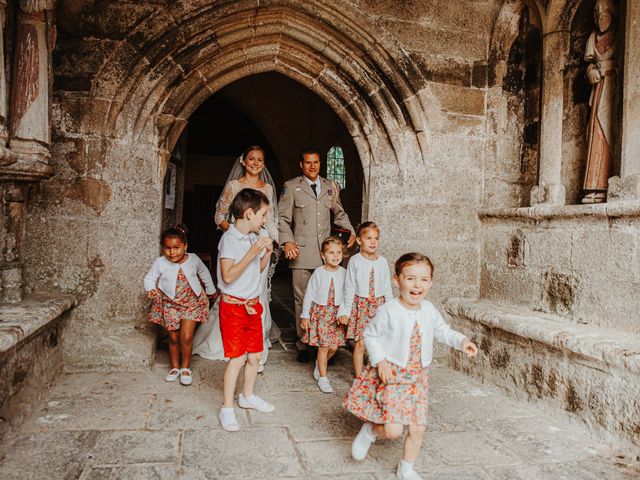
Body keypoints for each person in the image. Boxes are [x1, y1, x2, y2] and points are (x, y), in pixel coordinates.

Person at [344, 253, 478, 480]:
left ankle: (406, 468)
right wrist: (381, 360)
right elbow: (370, 335)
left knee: (418, 428)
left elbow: (442, 330)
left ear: (431, 282)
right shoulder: (389, 310)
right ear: (397, 281)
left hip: (417, 378)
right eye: (411, 279)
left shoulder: (428, 309)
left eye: (424, 279)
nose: (417, 285)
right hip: (393, 376)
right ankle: (370, 431)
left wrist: (462, 341)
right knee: (393, 430)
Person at [193, 145, 279, 372]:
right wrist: (237, 232)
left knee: (256, 291)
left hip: (259, 242)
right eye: (251, 158)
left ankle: (255, 343)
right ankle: (228, 340)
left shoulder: (268, 188)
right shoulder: (234, 186)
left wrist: (273, 238)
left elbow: (269, 219)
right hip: (238, 242)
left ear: (263, 163)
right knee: (234, 288)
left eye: (260, 159)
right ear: (243, 161)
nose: (255, 163)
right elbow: (219, 215)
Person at [278, 148, 356, 363]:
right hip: (301, 251)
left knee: (329, 298)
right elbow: (282, 218)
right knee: (302, 298)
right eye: (308, 163)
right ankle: (303, 343)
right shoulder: (292, 187)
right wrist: (287, 241)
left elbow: (339, 213)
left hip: (327, 253)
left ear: (320, 164)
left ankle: (326, 341)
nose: (312, 166)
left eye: (316, 162)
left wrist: (351, 230)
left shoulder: (330, 187)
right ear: (301, 165)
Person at [217, 188, 276, 432]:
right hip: (233, 307)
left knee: (254, 356)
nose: (265, 221)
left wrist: (266, 255)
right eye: (263, 215)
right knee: (237, 358)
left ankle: (247, 396)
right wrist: (252, 253)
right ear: (249, 213)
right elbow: (228, 276)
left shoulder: (253, 237)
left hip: (253, 305)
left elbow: (256, 269)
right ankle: (227, 408)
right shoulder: (229, 240)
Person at [144, 225, 215, 386]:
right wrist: (151, 289)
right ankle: (175, 368)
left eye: (176, 248)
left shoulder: (194, 259)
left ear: (185, 247)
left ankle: (185, 368)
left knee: (186, 336)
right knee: (174, 338)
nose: (172, 252)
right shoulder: (160, 262)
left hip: (191, 303)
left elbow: (204, 273)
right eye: (167, 248)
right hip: (170, 305)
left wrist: (210, 290)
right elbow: (149, 278)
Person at [338, 222, 393, 377]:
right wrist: (345, 312)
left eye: (376, 238)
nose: (373, 242)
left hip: (379, 306)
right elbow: (349, 289)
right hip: (361, 306)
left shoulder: (382, 262)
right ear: (359, 240)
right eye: (369, 238)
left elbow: (387, 289)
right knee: (361, 343)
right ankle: (359, 378)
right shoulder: (355, 261)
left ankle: (380, 375)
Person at [300, 237, 347, 393]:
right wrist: (305, 315)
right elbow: (309, 295)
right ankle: (323, 377)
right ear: (323, 255)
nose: (336, 255)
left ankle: (320, 365)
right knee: (324, 347)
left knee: (334, 347)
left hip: (337, 314)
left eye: (339, 252)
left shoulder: (344, 273)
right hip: (321, 313)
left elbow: (348, 295)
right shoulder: (318, 273)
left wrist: (345, 312)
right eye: (331, 252)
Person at [582, 0, 617, 204]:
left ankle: (606, 185)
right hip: (598, 93)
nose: (599, 16)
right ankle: (593, 185)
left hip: (612, 91)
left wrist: (607, 68)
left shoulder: (621, 36)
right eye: (596, 13)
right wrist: (591, 71)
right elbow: (589, 66)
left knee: (609, 131)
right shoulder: (592, 38)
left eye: (603, 12)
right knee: (595, 133)